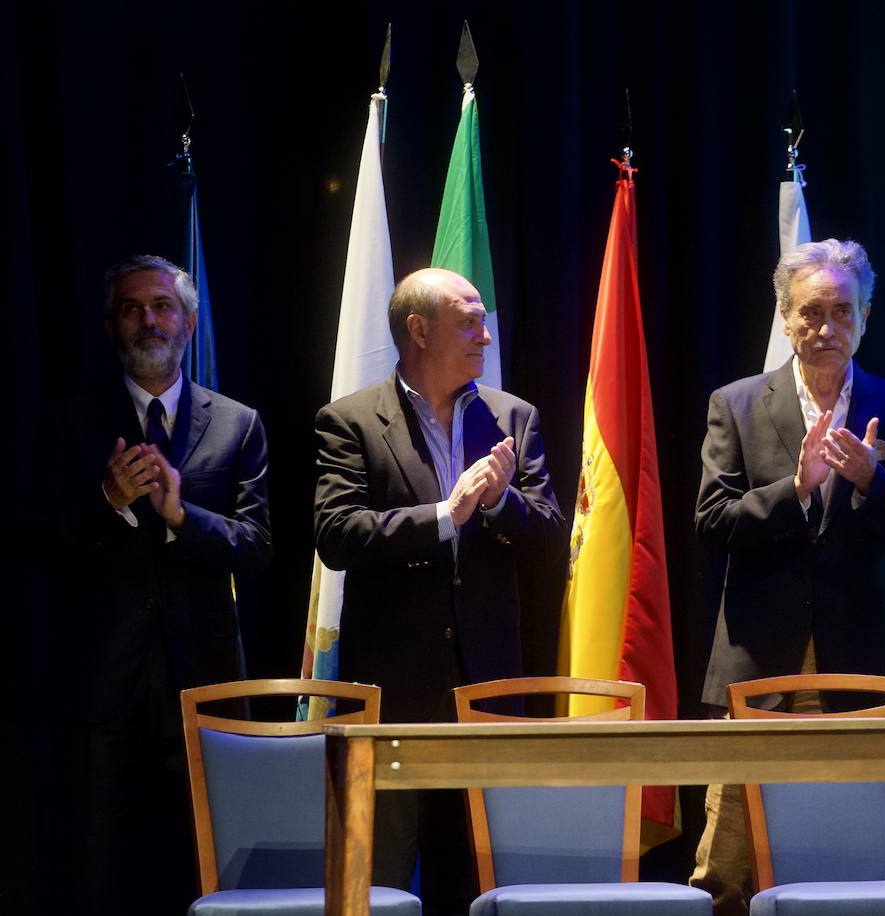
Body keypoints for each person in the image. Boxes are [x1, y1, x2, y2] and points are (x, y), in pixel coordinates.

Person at [689, 239, 885, 914]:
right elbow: (710, 522)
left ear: (865, 317)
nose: (826, 328)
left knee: (853, 862)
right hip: (757, 669)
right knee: (726, 873)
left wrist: (868, 479)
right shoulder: (736, 405)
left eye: (841, 311)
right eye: (810, 312)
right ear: (785, 317)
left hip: (856, 669)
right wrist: (795, 489)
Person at [314, 267, 563, 914]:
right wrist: (442, 517)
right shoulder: (351, 421)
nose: (485, 334)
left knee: (481, 881)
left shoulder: (514, 417)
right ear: (418, 331)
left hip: (487, 689)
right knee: (384, 881)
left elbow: (549, 536)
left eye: (484, 320)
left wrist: (500, 504)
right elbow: (338, 535)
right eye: (469, 320)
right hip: (393, 693)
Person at [67, 254, 272, 914]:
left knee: (213, 868)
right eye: (131, 308)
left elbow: (256, 550)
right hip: (104, 685)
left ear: (188, 322)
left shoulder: (238, 423)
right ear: (109, 326)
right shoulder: (73, 421)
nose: (147, 320)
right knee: (105, 872)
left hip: (206, 683)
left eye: (161, 307)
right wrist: (109, 501)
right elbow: (38, 546)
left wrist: (183, 516)